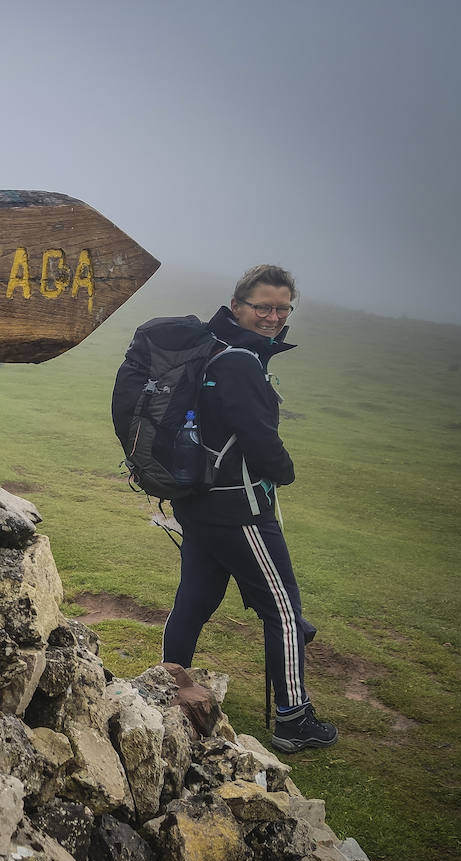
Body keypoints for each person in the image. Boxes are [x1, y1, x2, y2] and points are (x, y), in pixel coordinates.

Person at [160, 264, 338, 753]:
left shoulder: (214, 350)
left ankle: (167, 688)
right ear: (238, 305)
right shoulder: (238, 360)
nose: (273, 316)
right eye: (263, 306)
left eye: (282, 308)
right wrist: (284, 470)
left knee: (194, 599)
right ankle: (293, 720)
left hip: (198, 500)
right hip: (239, 508)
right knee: (283, 610)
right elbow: (258, 438)